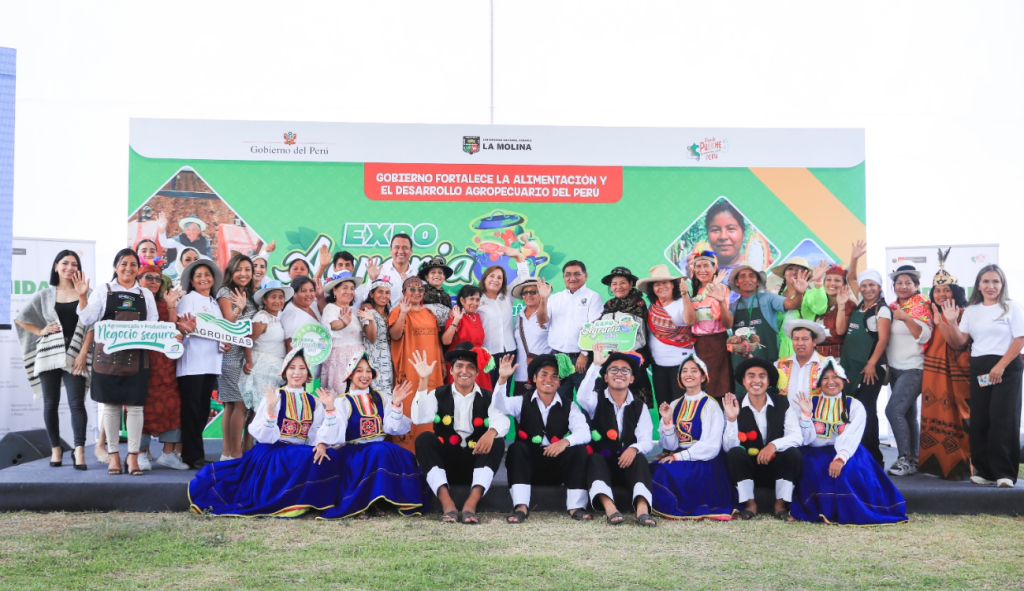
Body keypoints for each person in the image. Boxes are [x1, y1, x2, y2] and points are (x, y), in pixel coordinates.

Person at [188, 348, 336, 517]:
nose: (297, 372)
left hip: (297, 451)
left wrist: (321, 443)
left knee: (327, 455)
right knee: (304, 455)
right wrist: (271, 409)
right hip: (272, 452)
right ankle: (292, 501)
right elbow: (264, 436)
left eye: (302, 368)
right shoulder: (275, 396)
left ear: (308, 373)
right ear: (284, 371)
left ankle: (306, 500)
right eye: (292, 367)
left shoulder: (313, 402)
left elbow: (317, 431)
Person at [788, 357, 908, 526]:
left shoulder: (854, 405)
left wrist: (841, 458)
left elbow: (853, 435)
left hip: (848, 450)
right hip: (815, 451)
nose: (831, 382)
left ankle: (853, 512)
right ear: (819, 383)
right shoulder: (809, 403)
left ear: (844, 381)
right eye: (825, 378)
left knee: (850, 471)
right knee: (815, 470)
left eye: (835, 377)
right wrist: (807, 415)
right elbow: (806, 439)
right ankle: (822, 511)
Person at [75, 248, 158, 476]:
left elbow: (153, 324)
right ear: (115, 267)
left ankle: (133, 456)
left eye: (133, 264)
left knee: (136, 407)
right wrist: (82, 296)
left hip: (137, 358)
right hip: (107, 359)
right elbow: (88, 319)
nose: (128, 268)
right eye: (123, 264)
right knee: (110, 408)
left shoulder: (145, 294)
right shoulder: (103, 290)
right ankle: (113, 456)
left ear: (138, 269)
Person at [315, 353, 427, 519]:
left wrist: (396, 403)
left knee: (403, 455)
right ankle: (365, 502)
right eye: (359, 371)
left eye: (368, 371)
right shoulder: (342, 402)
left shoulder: (382, 398)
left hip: (378, 447)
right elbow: (334, 435)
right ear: (350, 375)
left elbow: (395, 428)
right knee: (378, 452)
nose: (365, 375)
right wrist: (330, 410)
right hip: (354, 452)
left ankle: (388, 499)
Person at [411, 344, 510, 524]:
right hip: (445, 465)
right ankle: (447, 504)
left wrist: (491, 432)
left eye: (470, 367)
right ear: (451, 370)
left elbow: (502, 420)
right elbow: (419, 418)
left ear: (477, 372)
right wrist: (423, 380)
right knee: (424, 439)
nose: (464, 371)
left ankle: (471, 504)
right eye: (459, 366)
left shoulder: (488, 397)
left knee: (497, 441)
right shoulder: (438, 394)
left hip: (476, 463)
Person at [944, 264, 1024, 488]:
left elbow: (1020, 339)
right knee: (980, 419)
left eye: (995, 281)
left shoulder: (1012, 307)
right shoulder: (971, 310)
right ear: (978, 285)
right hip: (980, 367)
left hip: (1006, 368)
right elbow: (960, 342)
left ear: (1002, 284)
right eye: (986, 281)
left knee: (1003, 419)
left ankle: (1004, 473)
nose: (991, 286)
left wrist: (1000, 366)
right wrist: (951, 322)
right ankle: (985, 472)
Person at [14, 250, 94, 470]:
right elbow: (20, 319)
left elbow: (91, 324)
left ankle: (79, 450)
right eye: (65, 263)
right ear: (56, 266)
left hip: (76, 354)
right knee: (50, 403)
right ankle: (56, 449)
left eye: (74, 264)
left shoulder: (87, 292)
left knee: (77, 403)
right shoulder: (45, 295)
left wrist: (82, 353)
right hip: (49, 354)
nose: (70, 267)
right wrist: (40, 331)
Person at [491, 354, 592, 523]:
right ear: (534, 379)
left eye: (555, 376)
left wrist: (565, 442)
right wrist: (502, 379)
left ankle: (576, 507)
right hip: (528, 468)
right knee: (516, 448)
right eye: (544, 374)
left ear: (559, 382)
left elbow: (584, 432)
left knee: (578, 449)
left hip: (556, 468)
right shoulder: (520, 401)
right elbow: (499, 405)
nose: (549, 379)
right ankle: (521, 506)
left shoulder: (570, 406)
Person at [577, 344, 656, 527]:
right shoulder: (595, 399)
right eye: (613, 370)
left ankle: (642, 510)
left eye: (625, 370)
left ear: (632, 378)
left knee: (640, 459)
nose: (619, 374)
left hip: (627, 466)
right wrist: (596, 365)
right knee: (594, 458)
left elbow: (646, 440)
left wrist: (634, 448)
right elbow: (581, 397)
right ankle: (610, 508)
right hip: (602, 466)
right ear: (605, 377)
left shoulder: (640, 406)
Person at [650, 353, 737, 521]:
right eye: (684, 371)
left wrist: (678, 457)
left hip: (705, 461)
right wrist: (667, 421)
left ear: (703, 377)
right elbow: (670, 444)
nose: (688, 374)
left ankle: (681, 506)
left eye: (694, 371)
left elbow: (712, 447)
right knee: (657, 468)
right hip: (681, 457)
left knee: (665, 471)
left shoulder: (711, 405)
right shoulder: (674, 404)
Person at [721, 358, 804, 520]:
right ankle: (750, 504)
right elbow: (728, 447)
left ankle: (780, 504)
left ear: (769, 382)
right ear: (744, 381)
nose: (756, 380)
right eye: (751, 376)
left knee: (793, 454)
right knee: (735, 453)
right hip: (748, 469)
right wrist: (732, 419)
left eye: (762, 376)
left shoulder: (783, 403)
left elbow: (796, 436)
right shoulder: (734, 405)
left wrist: (773, 445)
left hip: (776, 468)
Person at [918, 252, 972, 480]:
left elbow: (960, 344)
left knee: (961, 417)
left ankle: (962, 466)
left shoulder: (965, 314)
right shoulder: (928, 314)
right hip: (933, 373)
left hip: (958, 375)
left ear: (955, 292)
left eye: (946, 290)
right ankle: (935, 465)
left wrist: (946, 322)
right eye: (937, 290)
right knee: (935, 411)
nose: (941, 294)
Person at [175, 258, 230, 470]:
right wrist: (185, 330)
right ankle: (191, 455)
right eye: (198, 276)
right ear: (191, 281)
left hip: (211, 362)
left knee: (202, 410)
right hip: (192, 363)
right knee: (191, 411)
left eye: (207, 275)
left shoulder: (215, 303)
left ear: (213, 279)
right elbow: (180, 328)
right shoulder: (188, 300)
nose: (203, 279)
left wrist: (225, 342)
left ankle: (196, 453)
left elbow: (220, 331)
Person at [137, 265, 188, 470]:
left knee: (172, 405)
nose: (154, 282)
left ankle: (168, 454)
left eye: (157, 279)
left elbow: (173, 327)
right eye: (148, 277)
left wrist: (178, 334)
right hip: (139, 363)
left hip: (165, 364)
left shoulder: (165, 302)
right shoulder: (131, 302)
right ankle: (140, 453)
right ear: (138, 279)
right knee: (139, 406)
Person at [727, 262, 806, 394]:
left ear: (758, 281)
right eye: (743, 276)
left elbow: (792, 304)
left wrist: (799, 293)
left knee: (770, 396)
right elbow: (726, 324)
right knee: (743, 398)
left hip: (767, 359)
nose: (747, 279)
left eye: (752, 276)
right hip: (742, 362)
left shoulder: (768, 299)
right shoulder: (733, 306)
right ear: (737, 282)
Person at [885, 265, 933, 477]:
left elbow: (925, 336)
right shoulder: (893, 307)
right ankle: (914, 459)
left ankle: (904, 458)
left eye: (908, 283)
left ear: (916, 285)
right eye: (899, 283)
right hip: (895, 368)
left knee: (893, 410)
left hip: (914, 368)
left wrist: (906, 318)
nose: (903, 286)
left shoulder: (922, 306)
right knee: (908, 414)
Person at [839, 268, 891, 466]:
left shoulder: (882, 310)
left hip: (871, 368)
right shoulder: (861, 304)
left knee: (866, 410)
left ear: (879, 287)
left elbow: (883, 339)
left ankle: (874, 459)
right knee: (853, 411)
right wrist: (854, 258)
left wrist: (871, 364)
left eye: (872, 285)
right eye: (864, 285)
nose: (868, 289)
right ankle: (856, 454)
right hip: (851, 366)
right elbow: (851, 277)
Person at [389, 276, 445, 452]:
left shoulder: (430, 313)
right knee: (409, 403)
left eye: (420, 289)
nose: (416, 292)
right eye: (411, 289)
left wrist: (442, 362)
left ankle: (430, 450)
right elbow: (395, 335)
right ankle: (406, 451)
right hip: (409, 368)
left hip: (432, 369)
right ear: (403, 292)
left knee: (431, 404)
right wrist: (403, 313)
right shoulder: (398, 311)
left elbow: (437, 341)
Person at [240, 280, 293, 452]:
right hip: (262, 368)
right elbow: (248, 341)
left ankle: (257, 446)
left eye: (280, 297)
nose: (278, 300)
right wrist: (249, 361)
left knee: (266, 408)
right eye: (273, 297)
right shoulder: (262, 317)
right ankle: (247, 447)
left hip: (274, 369)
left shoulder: (277, 317)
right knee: (259, 409)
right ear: (264, 300)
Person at [215, 254, 257, 461]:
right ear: (231, 271)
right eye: (239, 269)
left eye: (247, 269)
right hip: (230, 355)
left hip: (245, 353)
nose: (243, 273)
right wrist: (239, 308)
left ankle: (227, 453)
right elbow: (227, 323)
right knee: (239, 403)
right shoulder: (225, 292)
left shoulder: (249, 294)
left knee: (232, 405)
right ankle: (235, 453)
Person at [637, 265, 695, 406]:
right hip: (659, 366)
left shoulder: (681, 303)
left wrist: (685, 295)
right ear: (652, 289)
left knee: (681, 407)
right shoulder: (653, 307)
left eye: (665, 283)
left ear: (673, 285)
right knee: (664, 407)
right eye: (657, 284)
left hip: (681, 365)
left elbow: (690, 320)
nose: (661, 287)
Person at [546, 260, 604, 399]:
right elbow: (542, 321)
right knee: (560, 401)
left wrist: (584, 353)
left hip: (582, 359)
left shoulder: (593, 297)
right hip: (558, 359)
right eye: (568, 274)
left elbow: (595, 327)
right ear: (563, 277)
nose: (572, 278)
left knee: (587, 401)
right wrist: (543, 298)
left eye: (577, 274)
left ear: (585, 275)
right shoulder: (554, 298)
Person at [600, 266, 655, 407]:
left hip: (633, 358)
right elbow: (603, 332)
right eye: (614, 284)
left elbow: (641, 338)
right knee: (612, 403)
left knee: (634, 405)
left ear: (631, 284)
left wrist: (621, 350)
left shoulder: (638, 304)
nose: (618, 287)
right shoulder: (609, 305)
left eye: (623, 283)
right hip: (612, 359)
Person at [478, 247, 531, 388]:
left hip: (509, 352)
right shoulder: (476, 299)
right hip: (487, 354)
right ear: (485, 279)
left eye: (499, 278)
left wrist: (518, 257)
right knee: (487, 391)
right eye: (492, 276)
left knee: (504, 391)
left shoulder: (507, 296)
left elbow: (523, 279)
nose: (495, 280)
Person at [688, 245, 734, 398]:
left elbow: (724, 321)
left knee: (720, 385)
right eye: (698, 266)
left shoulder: (721, 289)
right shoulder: (692, 293)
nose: (702, 270)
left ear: (715, 269)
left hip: (717, 342)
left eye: (706, 265)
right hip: (697, 345)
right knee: (701, 383)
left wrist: (715, 289)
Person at [770, 257, 827, 360]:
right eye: (790, 268)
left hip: (802, 347)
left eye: (799, 270)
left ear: (806, 275)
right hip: (778, 348)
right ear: (784, 274)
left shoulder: (809, 294)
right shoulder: (776, 296)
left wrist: (818, 283)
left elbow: (820, 309)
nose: (794, 272)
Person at [814, 242, 865, 358]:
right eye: (828, 280)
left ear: (844, 285)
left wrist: (841, 304)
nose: (832, 283)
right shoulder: (818, 301)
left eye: (837, 280)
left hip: (838, 357)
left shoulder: (849, 304)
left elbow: (840, 331)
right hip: (815, 356)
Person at [320, 271, 366, 393]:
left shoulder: (351, 312)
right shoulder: (330, 308)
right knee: (343, 396)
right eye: (345, 288)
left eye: (352, 288)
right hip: (341, 362)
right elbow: (334, 325)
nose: (349, 291)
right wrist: (343, 323)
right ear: (335, 290)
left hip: (357, 362)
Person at [442, 285, 492, 391]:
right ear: (462, 300)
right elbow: (446, 341)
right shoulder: (456, 317)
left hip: (477, 363)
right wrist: (456, 320)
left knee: (480, 396)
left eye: (477, 300)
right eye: (471, 299)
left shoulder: (477, 316)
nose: (475, 303)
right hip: (460, 364)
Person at [511, 278, 554, 397]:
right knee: (520, 407)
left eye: (533, 292)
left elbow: (543, 319)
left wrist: (544, 299)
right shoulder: (518, 317)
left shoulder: (549, 312)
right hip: (521, 375)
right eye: (525, 292)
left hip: (544, 373)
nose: (528, 295)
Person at [360, 279, 394, 394]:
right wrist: (370, 320)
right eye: (380, 292)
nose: (384, 295)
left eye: (387, 292)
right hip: (373, 359)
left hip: (388, 360)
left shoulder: (390, 314)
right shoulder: (366, 311)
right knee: (374, 394)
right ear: (371, 294)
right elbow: (372, 339)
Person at [776, 320, 826, 399]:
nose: (800, 343)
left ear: (814, 342)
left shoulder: (826, 364)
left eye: (805, 339)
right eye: (796, 339)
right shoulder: (780, 364)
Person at [280, 276, 321, 351]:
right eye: (304, 291)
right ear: (294, 294)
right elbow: (290, 348)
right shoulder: (291, 315)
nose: (308, 294)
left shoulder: (312, 303)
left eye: (311, 290)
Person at [375, 233, 416, 308]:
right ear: (391, 250)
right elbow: (367, 297)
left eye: (405, 248)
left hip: (410, 315)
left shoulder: (417, 275)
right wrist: (373, 279)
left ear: (411, 251)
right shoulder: (381, 271)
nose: (400, 251)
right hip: (385, 315)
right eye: (396, 247)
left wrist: (411, 287)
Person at [417, 255, 453, 329]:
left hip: (444, 332)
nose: (437, 275)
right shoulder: (420, 292)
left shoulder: (446, 296)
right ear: (427, 277)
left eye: (440, 272)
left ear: (444, 277)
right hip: (425, 330)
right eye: (433, 272)